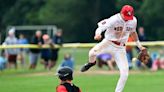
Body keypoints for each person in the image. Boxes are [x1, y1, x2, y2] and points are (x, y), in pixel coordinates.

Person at [81, 5, 147, 92]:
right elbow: (100, 27)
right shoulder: (114, 19)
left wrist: (139, 45)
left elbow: (133, 32)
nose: (127, 19)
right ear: (121, 13)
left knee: (125, 74)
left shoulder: (133, 20)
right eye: (126, 16)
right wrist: (97, 34)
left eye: (129, 17)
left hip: (120, 48)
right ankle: (91, 63)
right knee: (92, 53)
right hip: (108, 43)